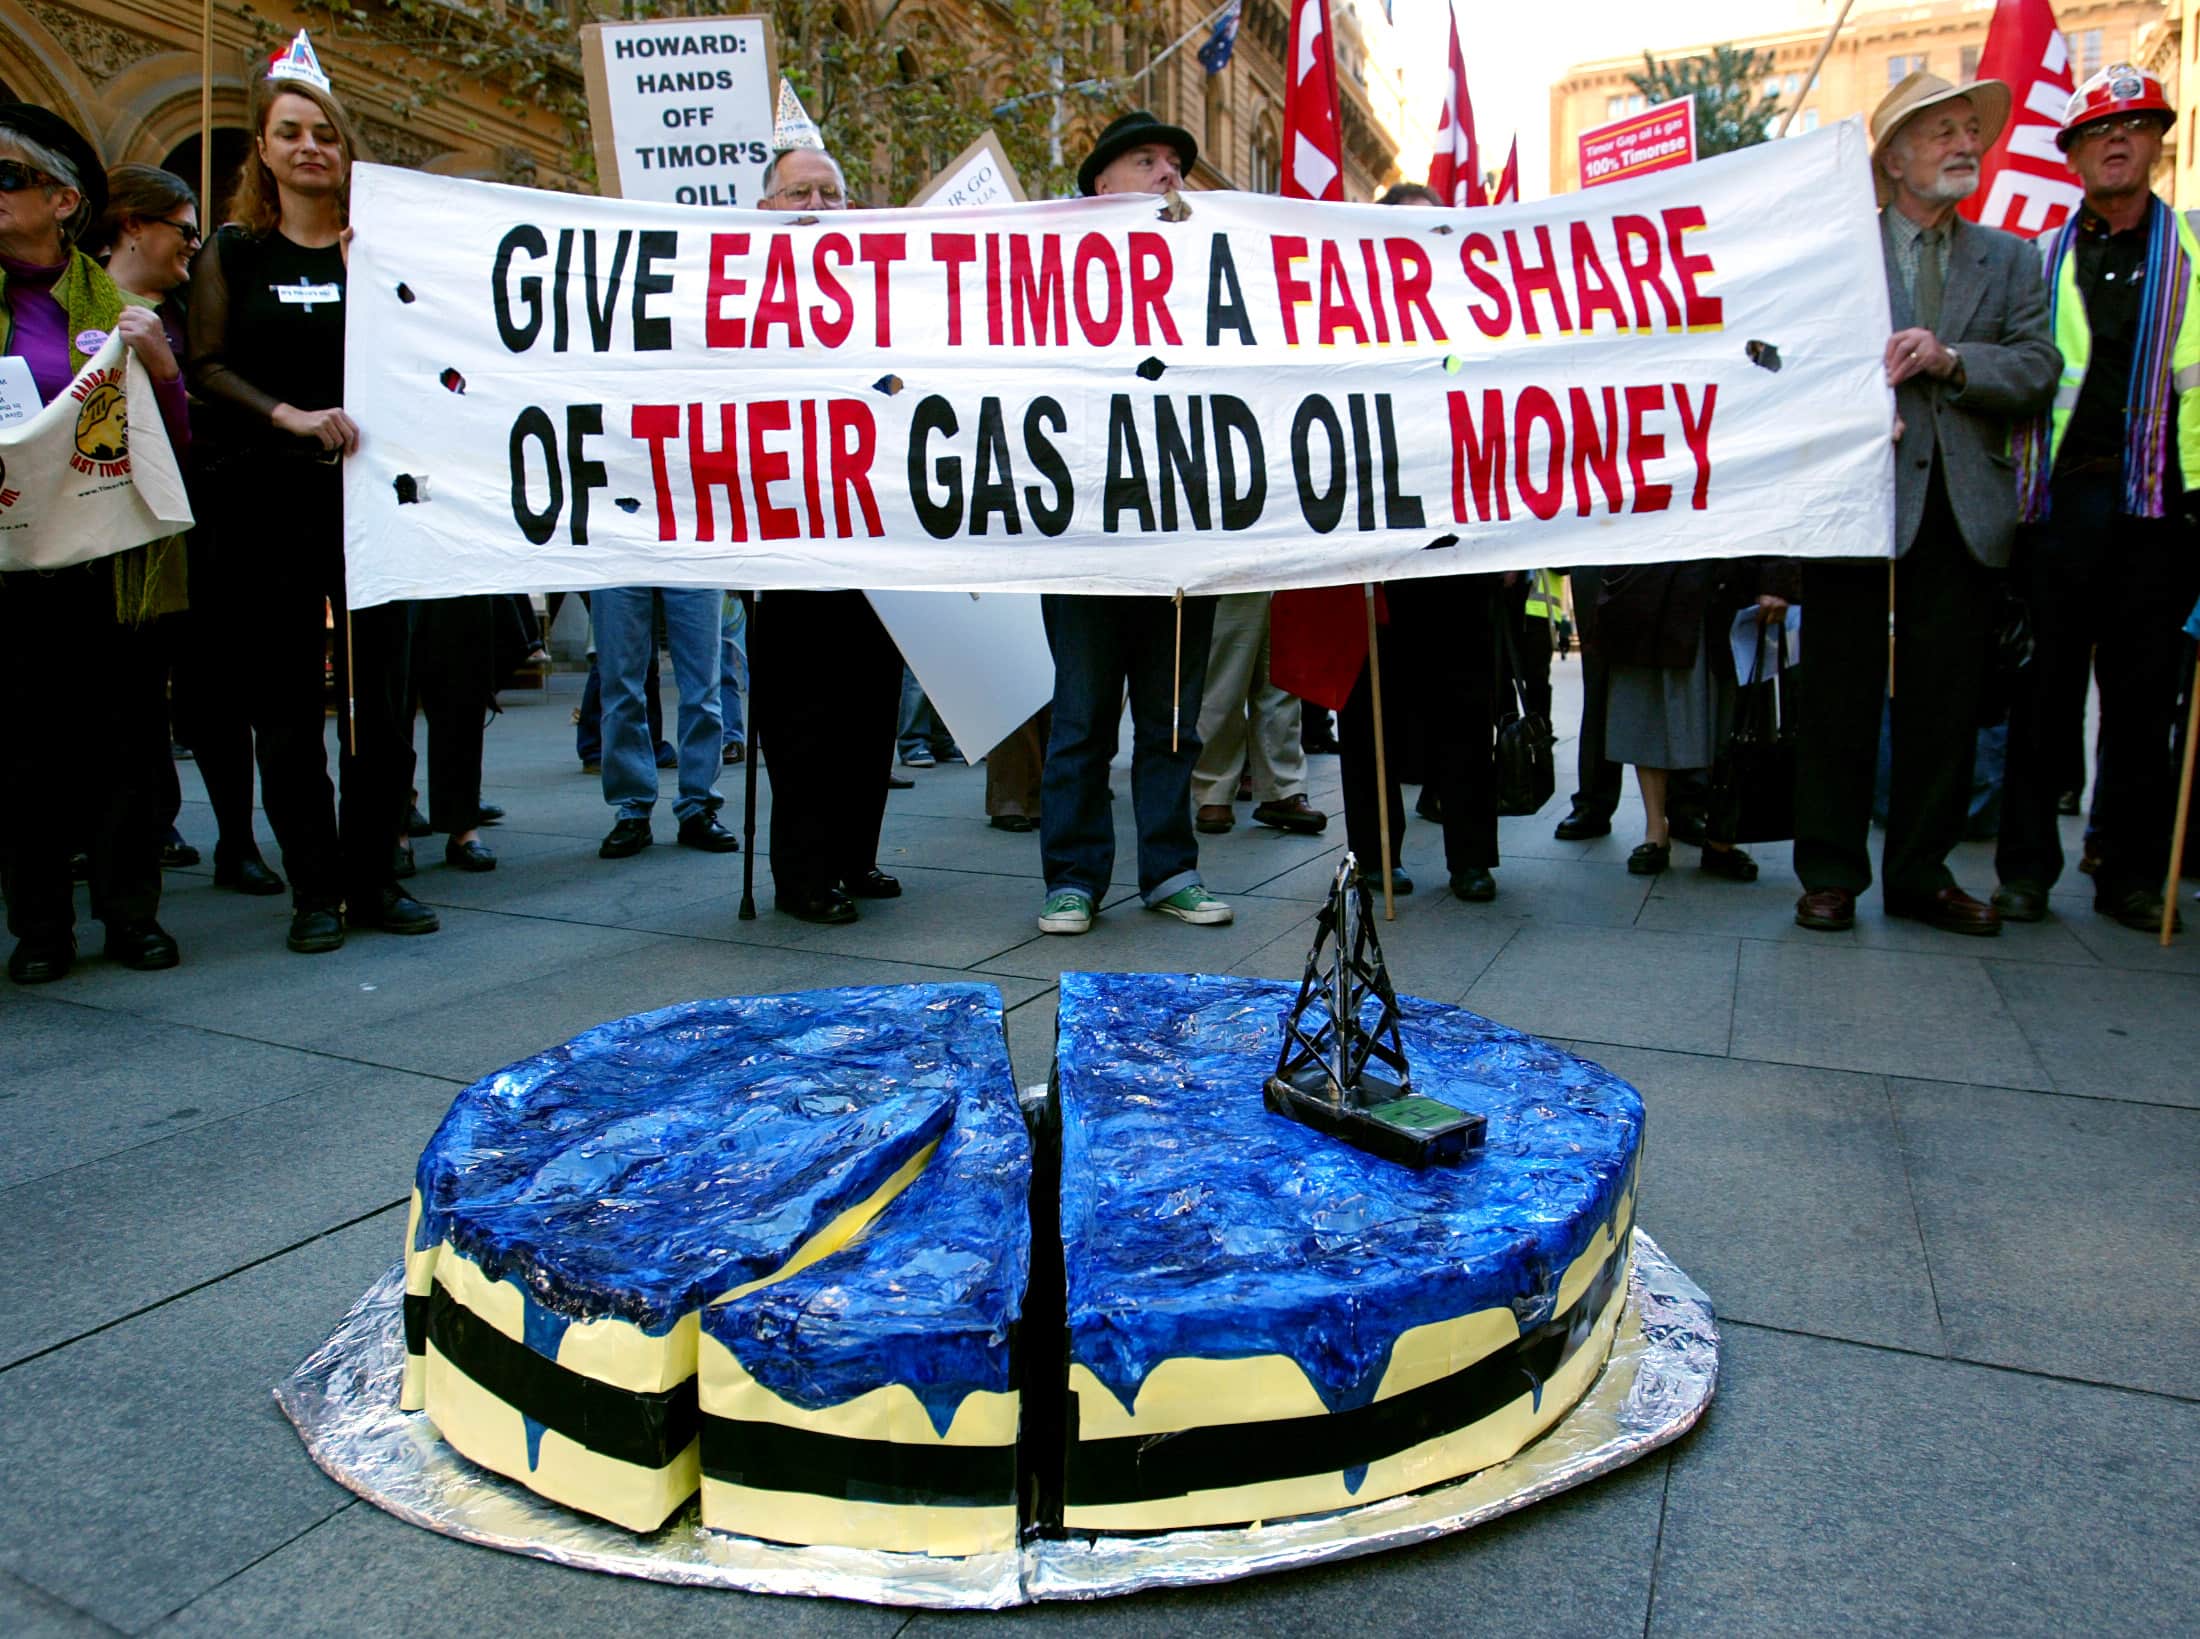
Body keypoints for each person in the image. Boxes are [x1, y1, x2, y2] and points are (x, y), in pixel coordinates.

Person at [1791, 72, 2059, 936]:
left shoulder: (2012, 258)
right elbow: (1792, 362)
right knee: (1839, 688)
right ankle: (1830, 870)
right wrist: (1857, 409)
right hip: (1858, 498)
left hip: (1963, 504)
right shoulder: (1839, 252)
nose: (1963, 145)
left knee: (1945, 698)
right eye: (1940, 131)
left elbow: (2039, 368)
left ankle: (1920, 871)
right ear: (1896, 157)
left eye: (1968, 130)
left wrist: (1951, 360)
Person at [187, 48, 440, 952]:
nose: (309, 148)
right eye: (290, 132)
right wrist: (287, 415)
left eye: (325, 134)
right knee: (287, 709)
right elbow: (206, 365)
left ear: (347, 151)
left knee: (382, 701)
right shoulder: (235, 252)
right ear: (262, 147)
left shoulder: (382, 252)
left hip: (377, 510)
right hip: (268, 505)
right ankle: (314, 889)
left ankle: (377, 877)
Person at [1994, 64, 2200, 934]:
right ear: (2072, 153)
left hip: (2160, 506)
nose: (2117, 141)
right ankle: (2026, 870)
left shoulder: (2192, 256)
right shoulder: (2037, 259)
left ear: (2157, 141)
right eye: (2098, 131)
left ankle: (2126, 869)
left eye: (2134, 126)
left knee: (2143, 698)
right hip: (2056, 506)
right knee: (2042, 695)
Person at [0, 107, 189, 982]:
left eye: (7, 178)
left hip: (108, 562)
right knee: (23, 750)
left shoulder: (117, 308)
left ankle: (131, 913)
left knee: (123, 739)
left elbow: (172, 441)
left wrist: (163, 370)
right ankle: (40, 928)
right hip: (9, 567)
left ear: (61, 198)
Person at [1035, 112, 1230, 936]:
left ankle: (1169, 868)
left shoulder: (1215, 276)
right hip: (1082, 537)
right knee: (1080, 717)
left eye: (1176, 164)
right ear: (1100, 185)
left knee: (1172, 717)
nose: (1168, 174)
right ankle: (1073, 877)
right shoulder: (1047, 272)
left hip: (1180, 539)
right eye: (1147, 161)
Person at [90, 163, 284, 897]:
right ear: (133, 224)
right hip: (112, 539)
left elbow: (215, 407)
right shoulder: (79, 303)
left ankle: (238, 840)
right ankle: (134, 838)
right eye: (183, 229)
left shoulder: (189, 314)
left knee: (217, 697)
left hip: (203, 528)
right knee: (124, 702)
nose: (193, 247)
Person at [746, 116, 905, 924]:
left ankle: (855, 853)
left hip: (873, 531)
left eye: (831, 193)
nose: (818, 204)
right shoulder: (739, 290)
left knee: (870, 706)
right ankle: (803, 873)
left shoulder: (881, 288)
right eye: (800, 191)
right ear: (766, 206)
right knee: (803, 715)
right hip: (787, 534)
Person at [1324, 181, 1501, 902]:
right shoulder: (1348, 333)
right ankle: (1375, 851)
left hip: (1460, 546)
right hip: (1375, 547)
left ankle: (1471, 855)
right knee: (1369, 708)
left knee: (1465, 703)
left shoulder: (1477, 329)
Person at [1598, 559, 1795, 879]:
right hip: (1645, 587)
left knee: (1730, 720)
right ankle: (1655, 833)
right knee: (1649, 707)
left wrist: (1775, 581)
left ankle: (1722, 840)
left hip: (1723, 586)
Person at [592, 581, 736, 860]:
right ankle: (636, 806)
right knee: (620, 687)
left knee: (702, 686)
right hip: (623, 547)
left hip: (687, 546)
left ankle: (695, 804)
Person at [1192, 594, 1327, 837]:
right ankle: (1215, 789)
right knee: (1224, 679)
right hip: (1230, 566)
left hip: (1284, 563)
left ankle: (1283, 788)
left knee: (1283, 679)